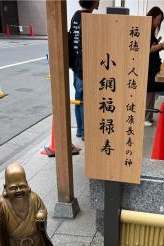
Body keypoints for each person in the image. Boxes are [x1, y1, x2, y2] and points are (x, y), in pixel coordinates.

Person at [69, 0, 100, 141]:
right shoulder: (90, 18)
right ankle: (86, 132)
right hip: (85, 67)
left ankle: (80, 130)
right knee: (86, 100)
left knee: (79, 98)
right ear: (93, 2)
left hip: (76, 66)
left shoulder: (76, 16)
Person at [145, 7, 164, 127]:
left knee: (151, 93)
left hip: (153, 67)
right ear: (153, 17)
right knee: (148, 93)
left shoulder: (151, 32)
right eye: (158, 20)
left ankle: (149, 116)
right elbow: (148, 49)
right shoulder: (145, 30)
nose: (159, 23)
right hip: (148, 68)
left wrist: (161, 45)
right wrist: (161, 45)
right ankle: (145, 117)